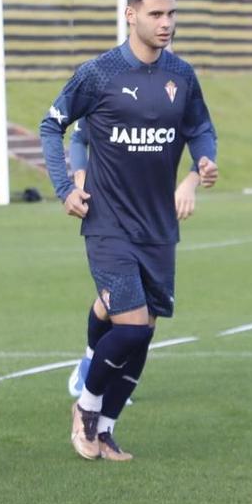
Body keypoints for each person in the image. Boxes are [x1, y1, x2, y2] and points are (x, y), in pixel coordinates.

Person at [38, 0, 218, 462]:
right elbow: (53, 125)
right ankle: (87, 409)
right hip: (108, 222)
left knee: (144, 334)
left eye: (172, 13)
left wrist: (202, 161)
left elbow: (200, 126)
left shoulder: (181, 75)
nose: (166, 23)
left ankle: (107, 430)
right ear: (130, 14)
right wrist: (65, 187)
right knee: (134, 327)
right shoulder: (97, 74)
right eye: (156, 14)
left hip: (158, 225)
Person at [63, 123, 203, 405]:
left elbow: (203, 133)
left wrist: (192, 179)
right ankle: (92, 373)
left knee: (131, 305)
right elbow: (79, 136)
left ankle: (101, 379)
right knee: (122, 301)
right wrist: (80, 177)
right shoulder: (107, 86)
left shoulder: (171, 90)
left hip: (152, 219)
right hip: (109, 216)